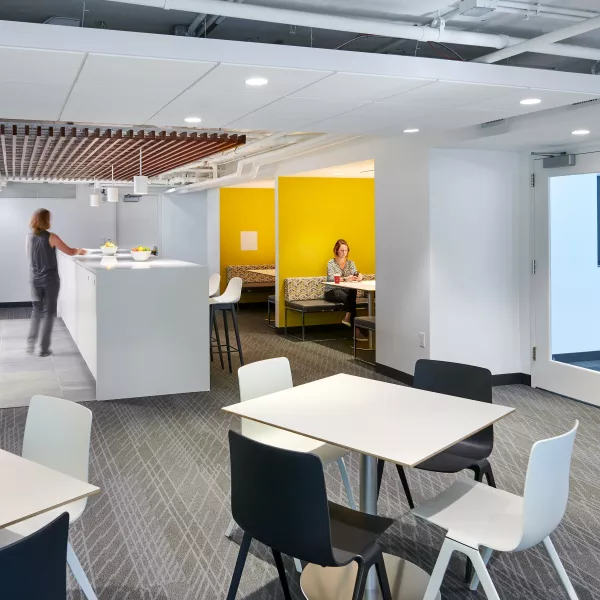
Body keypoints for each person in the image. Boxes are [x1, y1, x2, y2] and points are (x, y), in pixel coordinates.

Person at [26, 209, 86, 357]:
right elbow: (70, 251)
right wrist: (80, 251)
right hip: (50, 280)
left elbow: (29, 257)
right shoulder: (51, 237)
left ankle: (30, 345)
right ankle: (44, 349)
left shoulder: (28, 237)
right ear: (45, 220)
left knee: (36, 310)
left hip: (34, 278)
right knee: (48, 313)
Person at [325, 239, 367, 341]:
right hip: (332, 291)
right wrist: (345, 279)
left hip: (346, 290)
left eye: (346, 250)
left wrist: (359, 275)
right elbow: (331, 278)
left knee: (352, 291)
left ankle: (348, 316)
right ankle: (356, 331)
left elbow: (355, 272)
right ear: (336, 250)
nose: (344, 253)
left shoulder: (350, 263)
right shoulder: (331, 263)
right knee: (351, 300)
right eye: (341, 250)